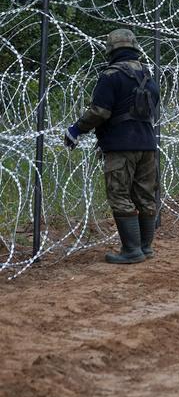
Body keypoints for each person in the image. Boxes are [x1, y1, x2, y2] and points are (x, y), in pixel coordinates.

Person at [63, 28, 160, 264]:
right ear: (134, 48)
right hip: (147, 144)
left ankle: (131, 250)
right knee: (145, 196)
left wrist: (76, 130)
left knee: (119, 194)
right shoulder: (148, 75)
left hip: (121, 145)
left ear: (111, 49)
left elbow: (100, 111)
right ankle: (145, 248)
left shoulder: (111, 75)